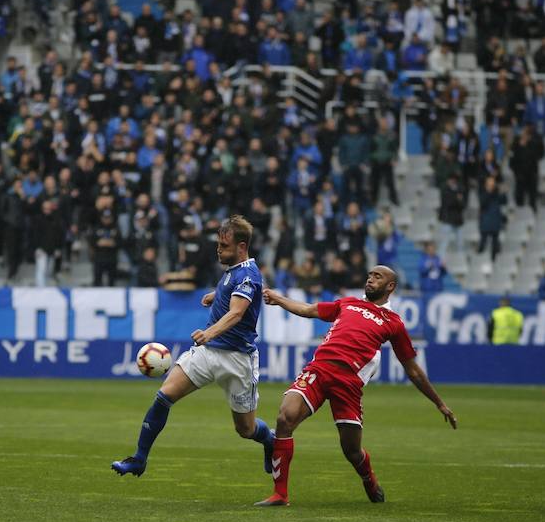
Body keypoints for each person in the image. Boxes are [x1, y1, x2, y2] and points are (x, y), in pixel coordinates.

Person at [255, 266, 457, 507]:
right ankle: (280, 494)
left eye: (377, 277)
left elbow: (412, 369)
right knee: (284, 418)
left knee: (351, 450)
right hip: (318, 370)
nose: (370, 279)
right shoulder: (348, 303)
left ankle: (368, 478)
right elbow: (308, 309)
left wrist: (439, 403)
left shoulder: (393, 323)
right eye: (369, 275)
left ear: (390, 286)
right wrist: (278, 299)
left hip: (348, 383)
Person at [112, 215, 275, 477]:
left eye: (224, 246)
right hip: (208, 354)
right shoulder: (234, 272)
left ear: (242, 247)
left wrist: (209, 332)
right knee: (164, 396)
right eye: (218, 245)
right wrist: (217, 294)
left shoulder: (248, 275)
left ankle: (270, 440)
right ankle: (139, 459)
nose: (218, 250)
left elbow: (236, 314)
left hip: (237, 360)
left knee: (245, 429)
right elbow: (233, 295)